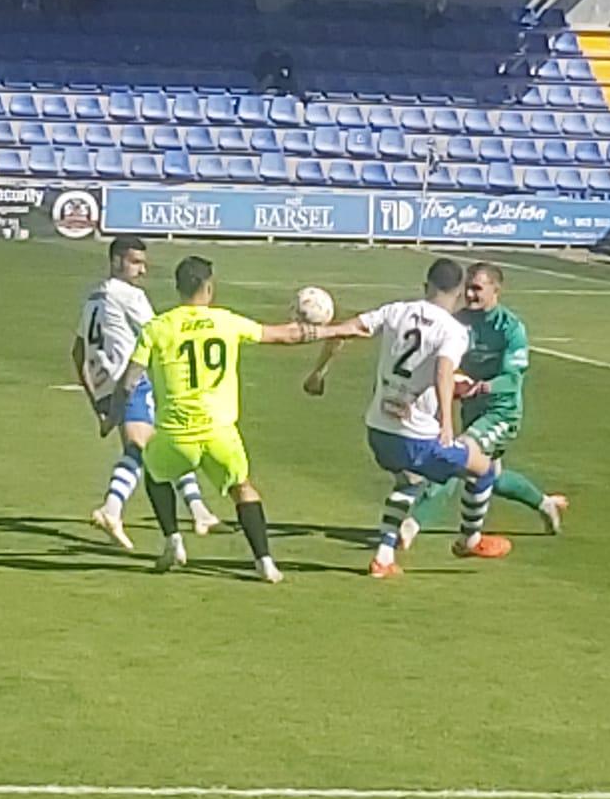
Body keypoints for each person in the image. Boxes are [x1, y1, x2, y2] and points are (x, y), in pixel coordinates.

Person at [120, 256, 353, 583]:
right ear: (209, 287)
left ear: (177, 288)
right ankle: (265, 562)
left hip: (176, 433)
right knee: (243, 489)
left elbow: (131, 379)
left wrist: (114, 407)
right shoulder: (226, 322)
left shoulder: (158, 327)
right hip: (219, 433)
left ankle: (173, 541)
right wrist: (336, 329)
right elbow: (283, 335)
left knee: (156, 475)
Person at [302, 257, 511, 578]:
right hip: (417, 437)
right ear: (457, 294)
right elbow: (444, 371)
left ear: (425, 286)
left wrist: (317, 362)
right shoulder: (454, 330)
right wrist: (446, 423)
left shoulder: (395, 311)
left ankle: (383, 558)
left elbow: (350, 329)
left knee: (410, 480)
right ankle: (470, 539)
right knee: (485, 469)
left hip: (378, 430)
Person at [395, 263, 566, 552]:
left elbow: (512, 377)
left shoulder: (510, 327)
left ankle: (414, 524)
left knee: (456, 457)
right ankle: (543, 503)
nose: (470, 294)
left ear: (495, 291)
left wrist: (483, 386)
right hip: (472, 411)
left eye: (477, 288)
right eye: (468, 288)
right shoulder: (458, 321)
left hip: (501, 413)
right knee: (489, 476)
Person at [74, 236, 222, 549]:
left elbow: (77, 352)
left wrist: (98, 404)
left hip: (104, 384)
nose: (142, 271)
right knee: (142, 452)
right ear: (116, 262)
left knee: (164, 448)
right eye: (135, 262)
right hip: (131, 383)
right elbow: (162, 333)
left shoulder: (94, 298)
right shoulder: (130, 296)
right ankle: (111, 509)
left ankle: (199, 510)